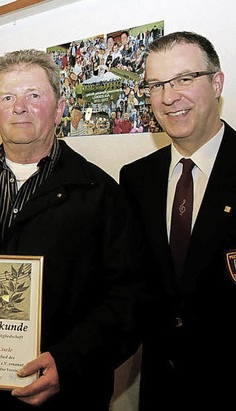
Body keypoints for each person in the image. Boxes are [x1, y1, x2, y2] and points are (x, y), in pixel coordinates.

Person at [0, 49, 147, 410]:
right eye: (8, 97)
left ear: (59, 108)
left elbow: (129, 298)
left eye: (34, 96)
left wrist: (69, 361)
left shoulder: (99, 194)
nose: (19, 107)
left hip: (66, 399)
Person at [119, 31, 236, 410]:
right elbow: (130, 285)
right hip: (160, 389)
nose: (169, 97)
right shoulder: (135, 178)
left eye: (185, 79)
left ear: (216, 83)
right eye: (156, 85)